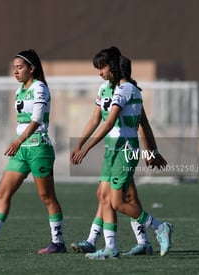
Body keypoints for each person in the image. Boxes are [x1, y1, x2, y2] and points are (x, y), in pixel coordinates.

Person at [71, 51, 173, 260]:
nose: (100, 72)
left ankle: (160, 227)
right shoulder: (107, 89)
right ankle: (110, 247)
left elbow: (113, 123)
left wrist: (86, 148)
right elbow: (95, 120)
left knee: (118, 202)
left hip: (125, 150)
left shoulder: (126, 89)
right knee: (104, 197)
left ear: (114, 67)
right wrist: (79, 142)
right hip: (112, 150)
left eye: (102, 67)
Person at [0, 49, 66, 254]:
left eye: (19, 67)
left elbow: (36, 120)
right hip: (22, 150)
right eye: (14, 68)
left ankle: (58, 242)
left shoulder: (40, 88)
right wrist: (19, 143)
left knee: (47, 197)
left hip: (38, 148)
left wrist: (18, 141)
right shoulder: (20, 90)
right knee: (3, 192)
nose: (16, 72)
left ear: (31, 68)